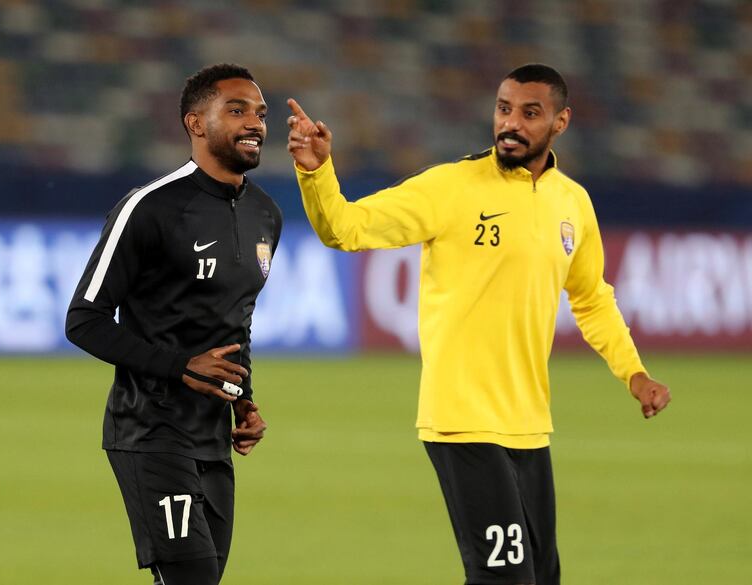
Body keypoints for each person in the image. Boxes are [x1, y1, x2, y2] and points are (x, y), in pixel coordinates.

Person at [286, 63, 671, 585]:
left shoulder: (572, 203)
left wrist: (634, 373)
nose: (510, 123)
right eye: (503, 109)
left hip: (529, 422)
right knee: (504, 579)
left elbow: (591, 297)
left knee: (538, 578)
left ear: (560, 122)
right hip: (461, 417)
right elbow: (346, 229)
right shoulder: (452, 187)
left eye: (529, 113)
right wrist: (316, 173)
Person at [66, 63, 282, 585]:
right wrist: (179, 366)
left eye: (260, 112)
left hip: (212, 438)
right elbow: (84, 319)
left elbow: (235, 320)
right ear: (195, 123)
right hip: (150, 431)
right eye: (236, 110)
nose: (254, 122)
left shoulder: (266, 215)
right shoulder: (149, 207)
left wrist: (243, 397)